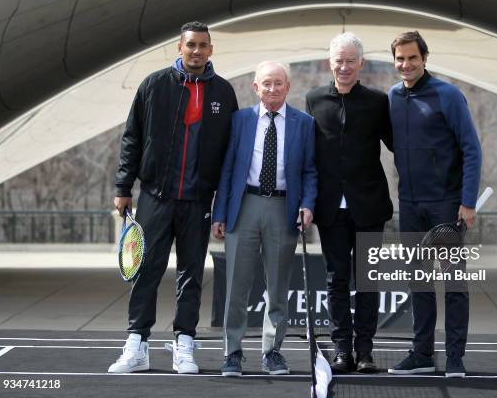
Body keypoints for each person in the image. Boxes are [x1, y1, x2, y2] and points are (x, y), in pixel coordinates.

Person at [108, 21, 238, 374]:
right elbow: (132, 137)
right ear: (179, 48)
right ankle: (137, 345)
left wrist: (222, 203)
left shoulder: (223, 93)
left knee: (191, 275)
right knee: (145, 271)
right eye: (191, 45)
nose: (197, 51)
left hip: (197, 202)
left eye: (203, 45)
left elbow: (229, 154)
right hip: (154, 197)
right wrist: (123, 187)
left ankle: (185, 345)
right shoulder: (153, 85)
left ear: (211, 50)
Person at [212, 61, 317, 377]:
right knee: (237, 287)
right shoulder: (240, 120)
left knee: (278, 286)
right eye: (266, 83)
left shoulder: (304, 123)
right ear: (255, 87)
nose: (272, 88)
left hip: (283, 210)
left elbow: (311, 171)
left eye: (278, 83)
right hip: (244, 206)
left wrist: (308, 205)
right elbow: (227, 169)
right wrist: (219, 213)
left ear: (288, 86)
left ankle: (272, 353)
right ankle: (232, 353)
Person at [386, 31, 482, 378]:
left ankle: (455, 357)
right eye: (400, 58)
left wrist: (467, 201)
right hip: (410, 205)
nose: (406, 64)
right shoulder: (393, 97)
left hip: (446, 204)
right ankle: (422, 354)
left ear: (424, 58)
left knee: (454, 283)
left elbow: (471, 148)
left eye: (412, 58)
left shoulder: (448, 95)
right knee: (419, 282)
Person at [305, 33, 393, 373]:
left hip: (369, 205)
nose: (344, 67)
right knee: (336, 280)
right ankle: (342, 350)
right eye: (338, 60)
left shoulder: (377, 101)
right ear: (330, 62)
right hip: (330, 209)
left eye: (350, 61)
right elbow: (307, 155)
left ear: (361, 64)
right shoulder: (314, 99)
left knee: (367, 279)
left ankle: (366, 352)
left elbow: (400, 144)